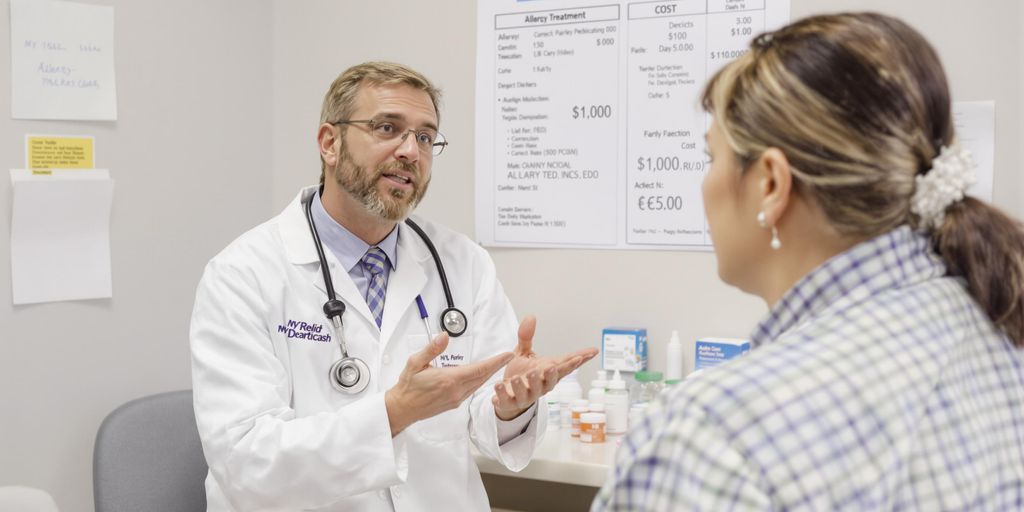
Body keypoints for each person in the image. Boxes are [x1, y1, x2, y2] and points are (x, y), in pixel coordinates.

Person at [594, 12, 1024, 511]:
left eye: (712, 158)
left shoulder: (714, 435)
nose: (705, 185)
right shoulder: (996, 325)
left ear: (771, 184)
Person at [190, 61, 596, 511]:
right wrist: (395, 412)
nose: (411, 151)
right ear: (330, 143)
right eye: (388, 128)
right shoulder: (243, 274)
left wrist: (509, 405)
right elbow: (245, 461)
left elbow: (484, 420)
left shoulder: (463, 263)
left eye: (425, 137)